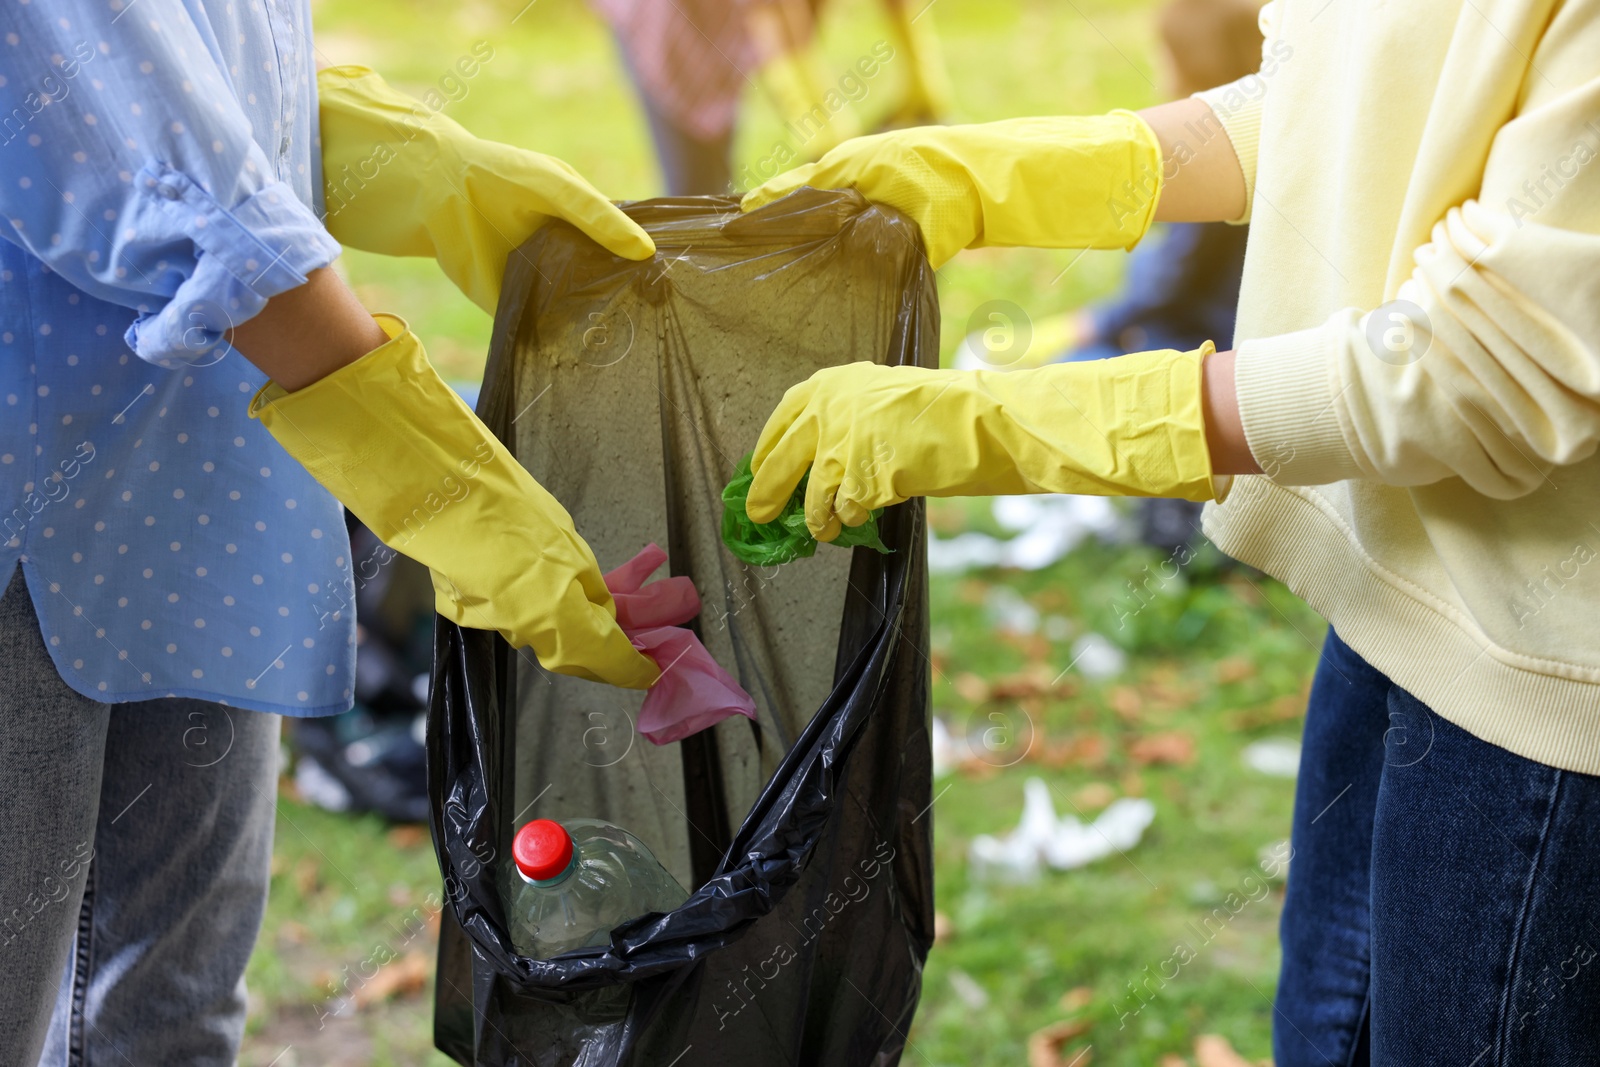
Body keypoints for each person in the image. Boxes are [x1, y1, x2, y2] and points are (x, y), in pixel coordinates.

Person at [740, 0, 1600, 1060]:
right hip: (1393, 608)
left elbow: (1482, 369)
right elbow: (1352, 101)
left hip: (1541, 704)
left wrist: (1005, 423)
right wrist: (1008, 173)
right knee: (1323, 1033)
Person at [0, 7, 658, 1064]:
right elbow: (159, 154)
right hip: (31, 509)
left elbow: (208, 64)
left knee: (173, 1012)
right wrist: (460, 501)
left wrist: (405, 153)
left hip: (210, 499)